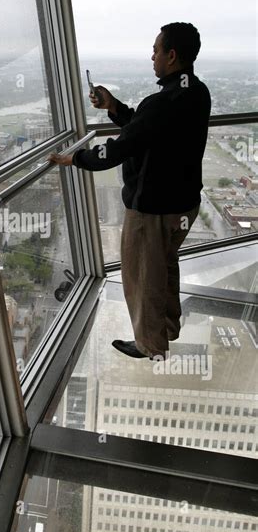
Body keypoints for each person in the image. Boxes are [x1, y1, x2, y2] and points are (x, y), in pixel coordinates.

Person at [49, 22, 211, 360]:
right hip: (183, 205)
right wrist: (114, 106)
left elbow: (120, 149)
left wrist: (74, 158)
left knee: (142, 278)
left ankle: (150, 346)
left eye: (156, 50)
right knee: (164, 267)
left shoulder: (161, 102)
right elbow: (147, 128)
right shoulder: (195, 92)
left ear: (172, 54)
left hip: (154, 209)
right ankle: (166, 328)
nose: (151, 56)